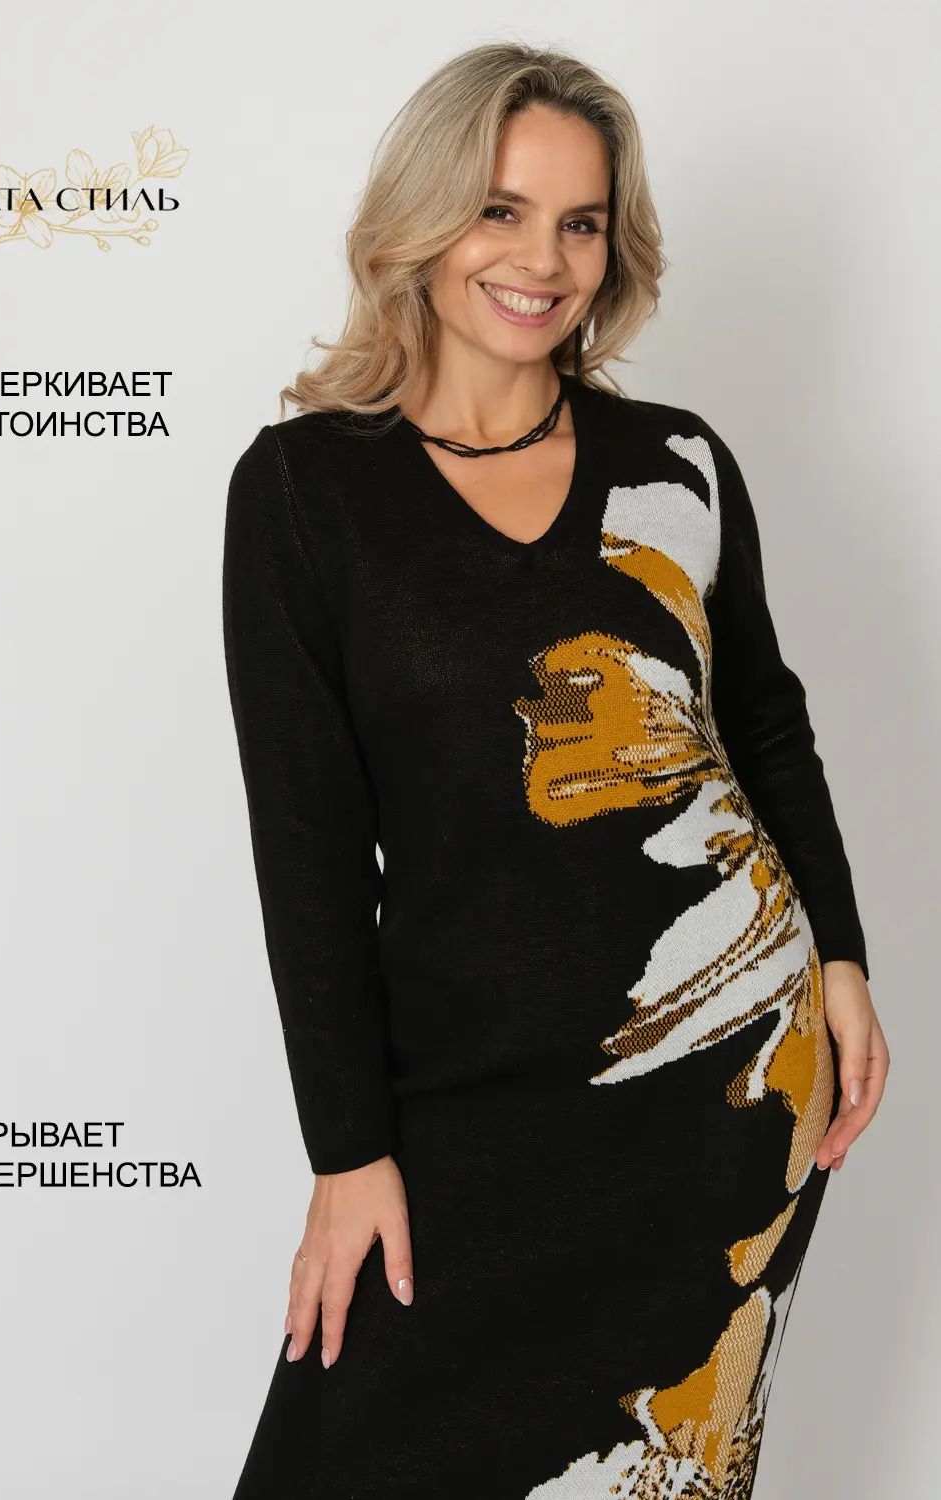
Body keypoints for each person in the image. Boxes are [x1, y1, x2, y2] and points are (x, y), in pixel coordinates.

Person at [220, 39, 890, 1499]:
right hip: (458, 1103)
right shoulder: (305, 493)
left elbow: (764, 725)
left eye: (581, 222)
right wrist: (348, 1154)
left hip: (718, 1077)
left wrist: (841, 957)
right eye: (501, 211)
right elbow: (308, 853)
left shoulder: (680, 467)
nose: (543, 261)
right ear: (423, 220)